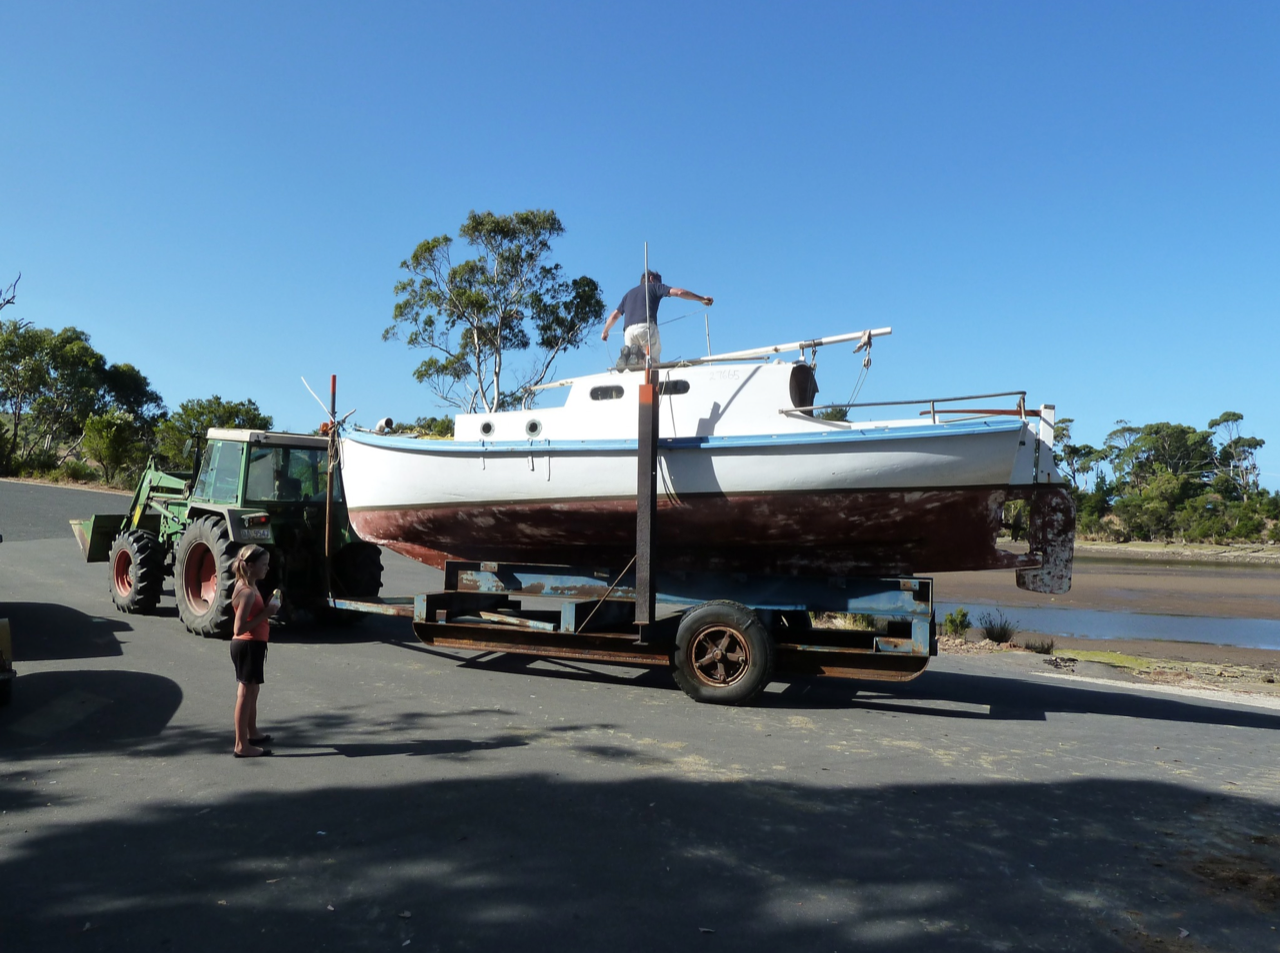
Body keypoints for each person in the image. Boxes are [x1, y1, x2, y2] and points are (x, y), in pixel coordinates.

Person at [229, 545, 280, 758]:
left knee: (253, 690)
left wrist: (267, 607)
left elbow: (253, 614)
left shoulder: (249, 585)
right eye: (264, 564)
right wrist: (267, 613)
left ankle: (252, 732)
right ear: (250, 566)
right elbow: (238, 628)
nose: (267, 568)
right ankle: (241, 745)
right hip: (247, 645)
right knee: (245, 692)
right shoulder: (247, 592)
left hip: (254, 645)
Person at [600, 270, 713, 365]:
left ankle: (634, 357)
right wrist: (701, 298)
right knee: (653, 363)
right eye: (659, 281)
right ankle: (644, 362)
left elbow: (614, 315)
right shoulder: (654, 286)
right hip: (646, 328)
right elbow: (679, 292)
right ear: (651, 278)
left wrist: (605, 331)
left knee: (635, 365)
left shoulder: (628, 294)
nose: (661, 284)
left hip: (628, 332)